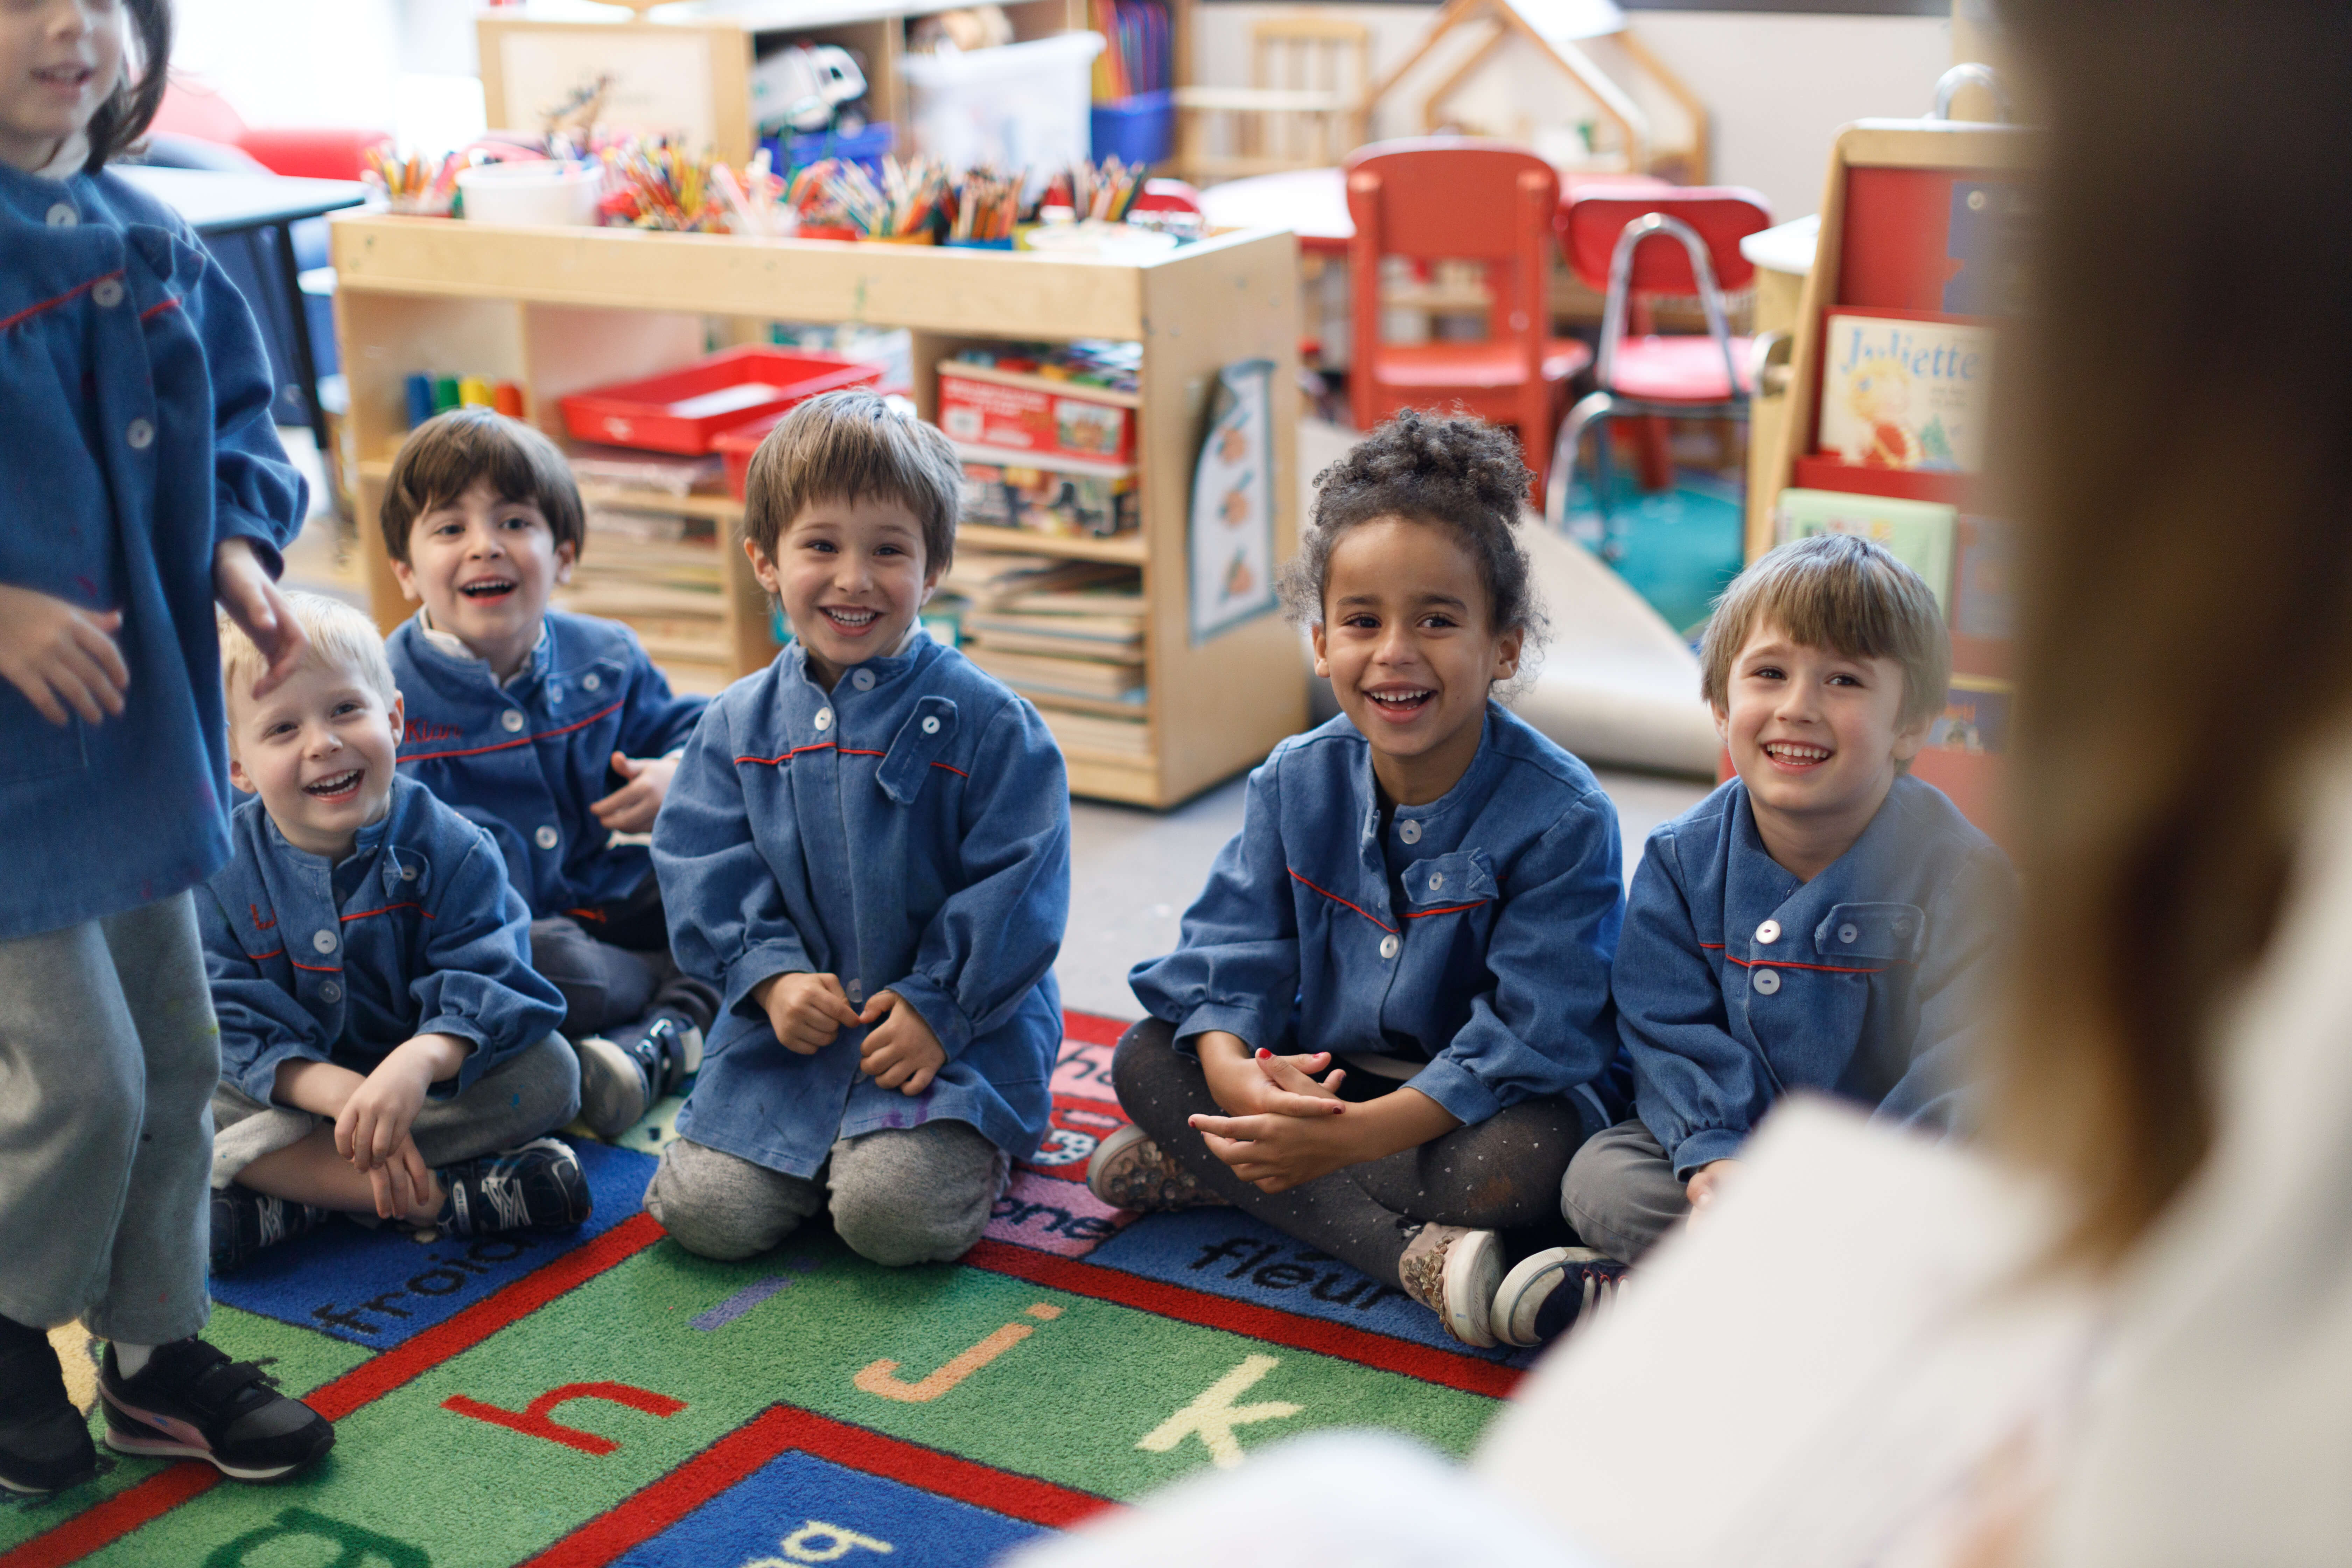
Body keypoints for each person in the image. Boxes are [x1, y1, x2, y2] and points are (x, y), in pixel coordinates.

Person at [0, 0, 343, 1493]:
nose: (66, 24)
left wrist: (244, 548)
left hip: (141, 748)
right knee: (79, 1076)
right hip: (13, 788)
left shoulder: (149, 231)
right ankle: (12, 1330)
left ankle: (151, 1349)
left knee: (180, 1052)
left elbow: (242, 433)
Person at [1103, 411, 1629, 1350]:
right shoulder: (1294, 778)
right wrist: (1237, 1076)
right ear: (1320, 643)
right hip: (1329, 1076)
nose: (1394, 652)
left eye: (1438, 619)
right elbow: (1230, 954)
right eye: (1361, 622)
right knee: (1149, 1057)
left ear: (1503, 647)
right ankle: (1409, 1257)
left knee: (1528, 1165)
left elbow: (1535, 1037)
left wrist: (1350, 1139)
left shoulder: (1564, 814)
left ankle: (1232, 1175)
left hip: (1468, 1109)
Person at [644, 388, 1069, 1267]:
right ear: (766, 562)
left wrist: (940, 1005)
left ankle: (964, 1153)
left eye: (889, 550)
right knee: (705, 1214)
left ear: (934, 566)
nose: (853, 577)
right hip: (789, 1037)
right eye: (821, 546)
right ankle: (814, 1157)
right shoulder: (732, 723)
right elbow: (701, 863)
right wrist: (765, 976)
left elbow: (1021, 885)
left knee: (892, 1219)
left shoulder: (994, 725)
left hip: (953, 1043)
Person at [1560, 535, 2017, 1269]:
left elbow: (1964, 1066)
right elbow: (1665, 1026)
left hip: (1893, 1172)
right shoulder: (1681, 859)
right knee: (1602, 1184)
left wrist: (1863, 1188)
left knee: (2003, 1208)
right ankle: (1806, 1271)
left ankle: (1768, 1273)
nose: (1798, 708)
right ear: (1719, 703)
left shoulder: (1966, 879)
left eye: (1844, 680)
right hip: (1737, 1154)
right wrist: (1715, 1157)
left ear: (1911, 724)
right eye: (1769, 673)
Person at [202, 593, 590, 1274]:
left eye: (346, 710)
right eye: (283, 728)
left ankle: (298, 1198)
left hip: (427, 1096)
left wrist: (418, 1062)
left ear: (395, 718)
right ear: (238, 767)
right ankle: (436, 1197)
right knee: (180, 1093)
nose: (322, 742)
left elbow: (493, 981)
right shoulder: (217, 870)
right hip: (291, 1097)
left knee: (551, 1071)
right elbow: (223, 1016)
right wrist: (333, 1091)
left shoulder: (457, 847)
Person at [380, 407, 717, 1139]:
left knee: (752, 846)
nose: (485, 547)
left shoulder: (606, 656)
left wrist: (674, 775)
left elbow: (714, 734)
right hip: (491, 945)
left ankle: (663, 1026)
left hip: (609, 900)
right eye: (450, 529)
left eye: (514, 523)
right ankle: (680, 1005)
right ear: (406, 572)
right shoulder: (378, 692)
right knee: (552, 962)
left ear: (563, 555)